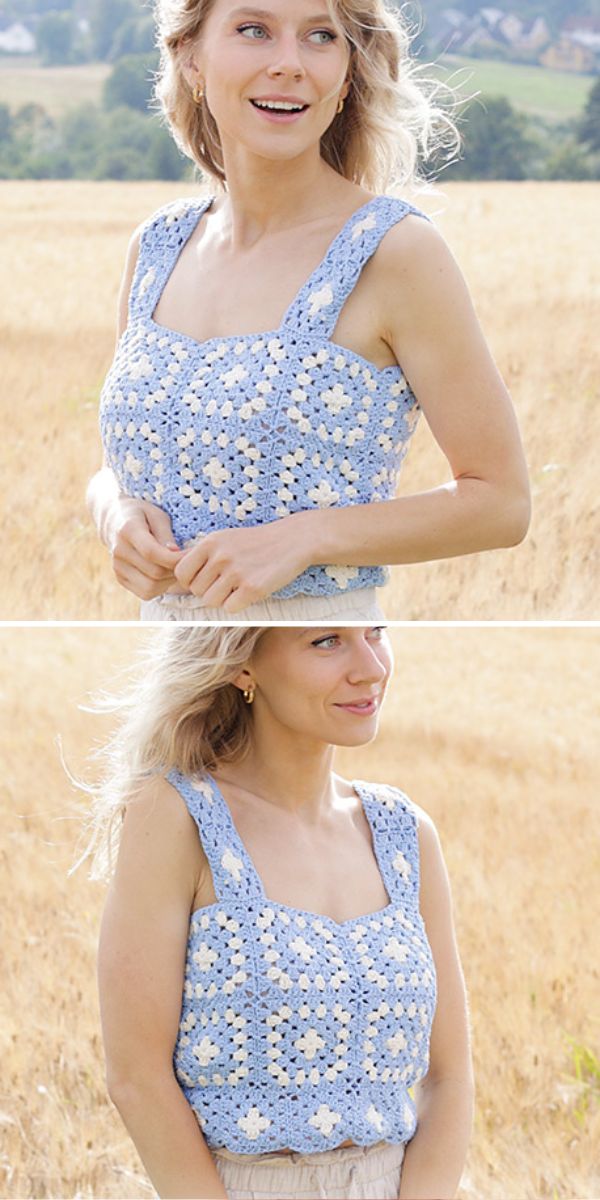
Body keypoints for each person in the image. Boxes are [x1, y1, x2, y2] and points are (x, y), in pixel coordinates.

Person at [88, 0, 530, 622]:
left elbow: (502, 503)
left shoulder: (394, 252)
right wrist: (113, 511)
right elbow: (116, 468)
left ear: (346, 77)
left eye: (321, 36)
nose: (289, 64)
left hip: (314, 651)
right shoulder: (158, 247)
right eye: (254, 30)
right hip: (167, 656)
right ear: (190, 58)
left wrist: (306, 537)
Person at [89, 624, 474, 1199]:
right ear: (243, 664)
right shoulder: (176, 815)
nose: (371, 668)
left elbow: (450, 1076)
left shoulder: (405, 834)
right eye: (326, 641)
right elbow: (136, 1076)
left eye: (375, 632)